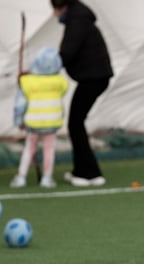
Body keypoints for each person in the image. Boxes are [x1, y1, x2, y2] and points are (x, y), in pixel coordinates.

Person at [51, 0, 113, 187]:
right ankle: (84, 170)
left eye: (55, 9)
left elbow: (67, 52)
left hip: (93, 78)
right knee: (76, 123)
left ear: (62, 7)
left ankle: (89, 173)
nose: (54, 14)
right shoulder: (80, 16)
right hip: (96, 77)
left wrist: (41, 70)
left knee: (75, 123)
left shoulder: (76, 19)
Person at [10, 47, 69, 189]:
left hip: (33, 122)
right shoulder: (60, 81)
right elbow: (62, 92)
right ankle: (47, 178)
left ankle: (21, 177)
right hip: (52, 121)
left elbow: (20, 105)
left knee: (29, 148)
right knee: (49, 149)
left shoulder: (27, 82)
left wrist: (19, 121)